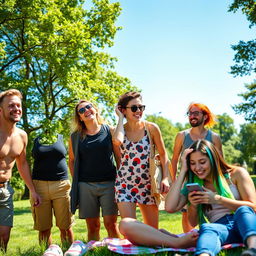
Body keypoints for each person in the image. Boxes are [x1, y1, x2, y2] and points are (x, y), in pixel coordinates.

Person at [166, 139, 256, 256]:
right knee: (207, 228)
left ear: (213, 160)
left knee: (243, 210)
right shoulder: (193, 183)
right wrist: (183, 170)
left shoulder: (236, 174)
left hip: (245, 222)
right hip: (221, 227)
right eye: (192, 163)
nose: (197, 168)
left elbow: (253, 207)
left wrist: (218, 199)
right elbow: (170, 208)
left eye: (202, 162)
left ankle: (253, 248)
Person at [113, 91, 170, 229]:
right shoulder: (118, 131)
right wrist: (120, 118)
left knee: (152, 231)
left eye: (141, 107)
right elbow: (117, 144)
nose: (138, 111)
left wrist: (165, 178)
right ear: (123, 110)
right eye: (134, 108)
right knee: (129, 228)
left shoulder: (151, 128)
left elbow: (163, 154)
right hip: (124, 185)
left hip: (148, 185)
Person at [68, 99, 119, 241]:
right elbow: (71, 161)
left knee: (111, 224)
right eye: (82, 110)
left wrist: (121, 180)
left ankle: (116, 251)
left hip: (109, 184)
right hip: (86, 186)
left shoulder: (109, 130)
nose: (86, 111)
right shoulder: (75, 137)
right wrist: (77, 181)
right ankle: (94, 251)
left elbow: (119, 157)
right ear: (79, 117)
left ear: (95, 109)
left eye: (88, 107)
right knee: (93, 226)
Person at [0, 89, 41, 251]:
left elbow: (22, 163)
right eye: (11, 106)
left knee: (4, 236)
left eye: (18, 105)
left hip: (6, 190)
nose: (16, 109)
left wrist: (32, 190)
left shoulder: (22, 135)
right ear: (0, 109)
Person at [171, 102, 222, 232]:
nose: (192, 116)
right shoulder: (181, 136)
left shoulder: (214, 137)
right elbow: (175, 159)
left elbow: (220, 163)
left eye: (196, 113)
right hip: (187, 181)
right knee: (187, 211)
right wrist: (174, 181)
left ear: (205, 116)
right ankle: (188, 240)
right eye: (190, 113)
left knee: (209, 210)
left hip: (209, 182)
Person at [31, 133, 74, 246]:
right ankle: (46, 252)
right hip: (39, 187)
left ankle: (68, 251)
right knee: (44, 228)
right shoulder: (36, 139)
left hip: (61, 186)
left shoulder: (62, 137)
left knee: (65, 227)